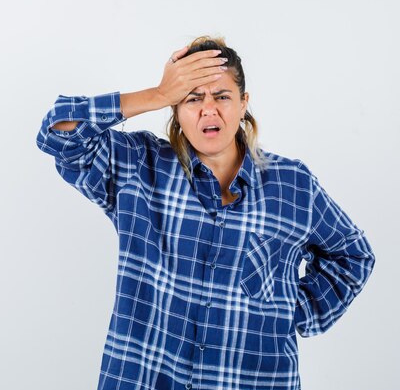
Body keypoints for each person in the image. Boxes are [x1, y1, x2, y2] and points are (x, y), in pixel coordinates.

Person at [36, 36, 375, 390]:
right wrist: (158, 93)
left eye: (222, 96)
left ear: (244, 104)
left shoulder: (293, 186)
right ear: (177, 111)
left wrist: (294, 312)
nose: (208, 109)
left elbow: (353, 255)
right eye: (193, 98)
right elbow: (58, 133)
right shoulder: (138, 166)